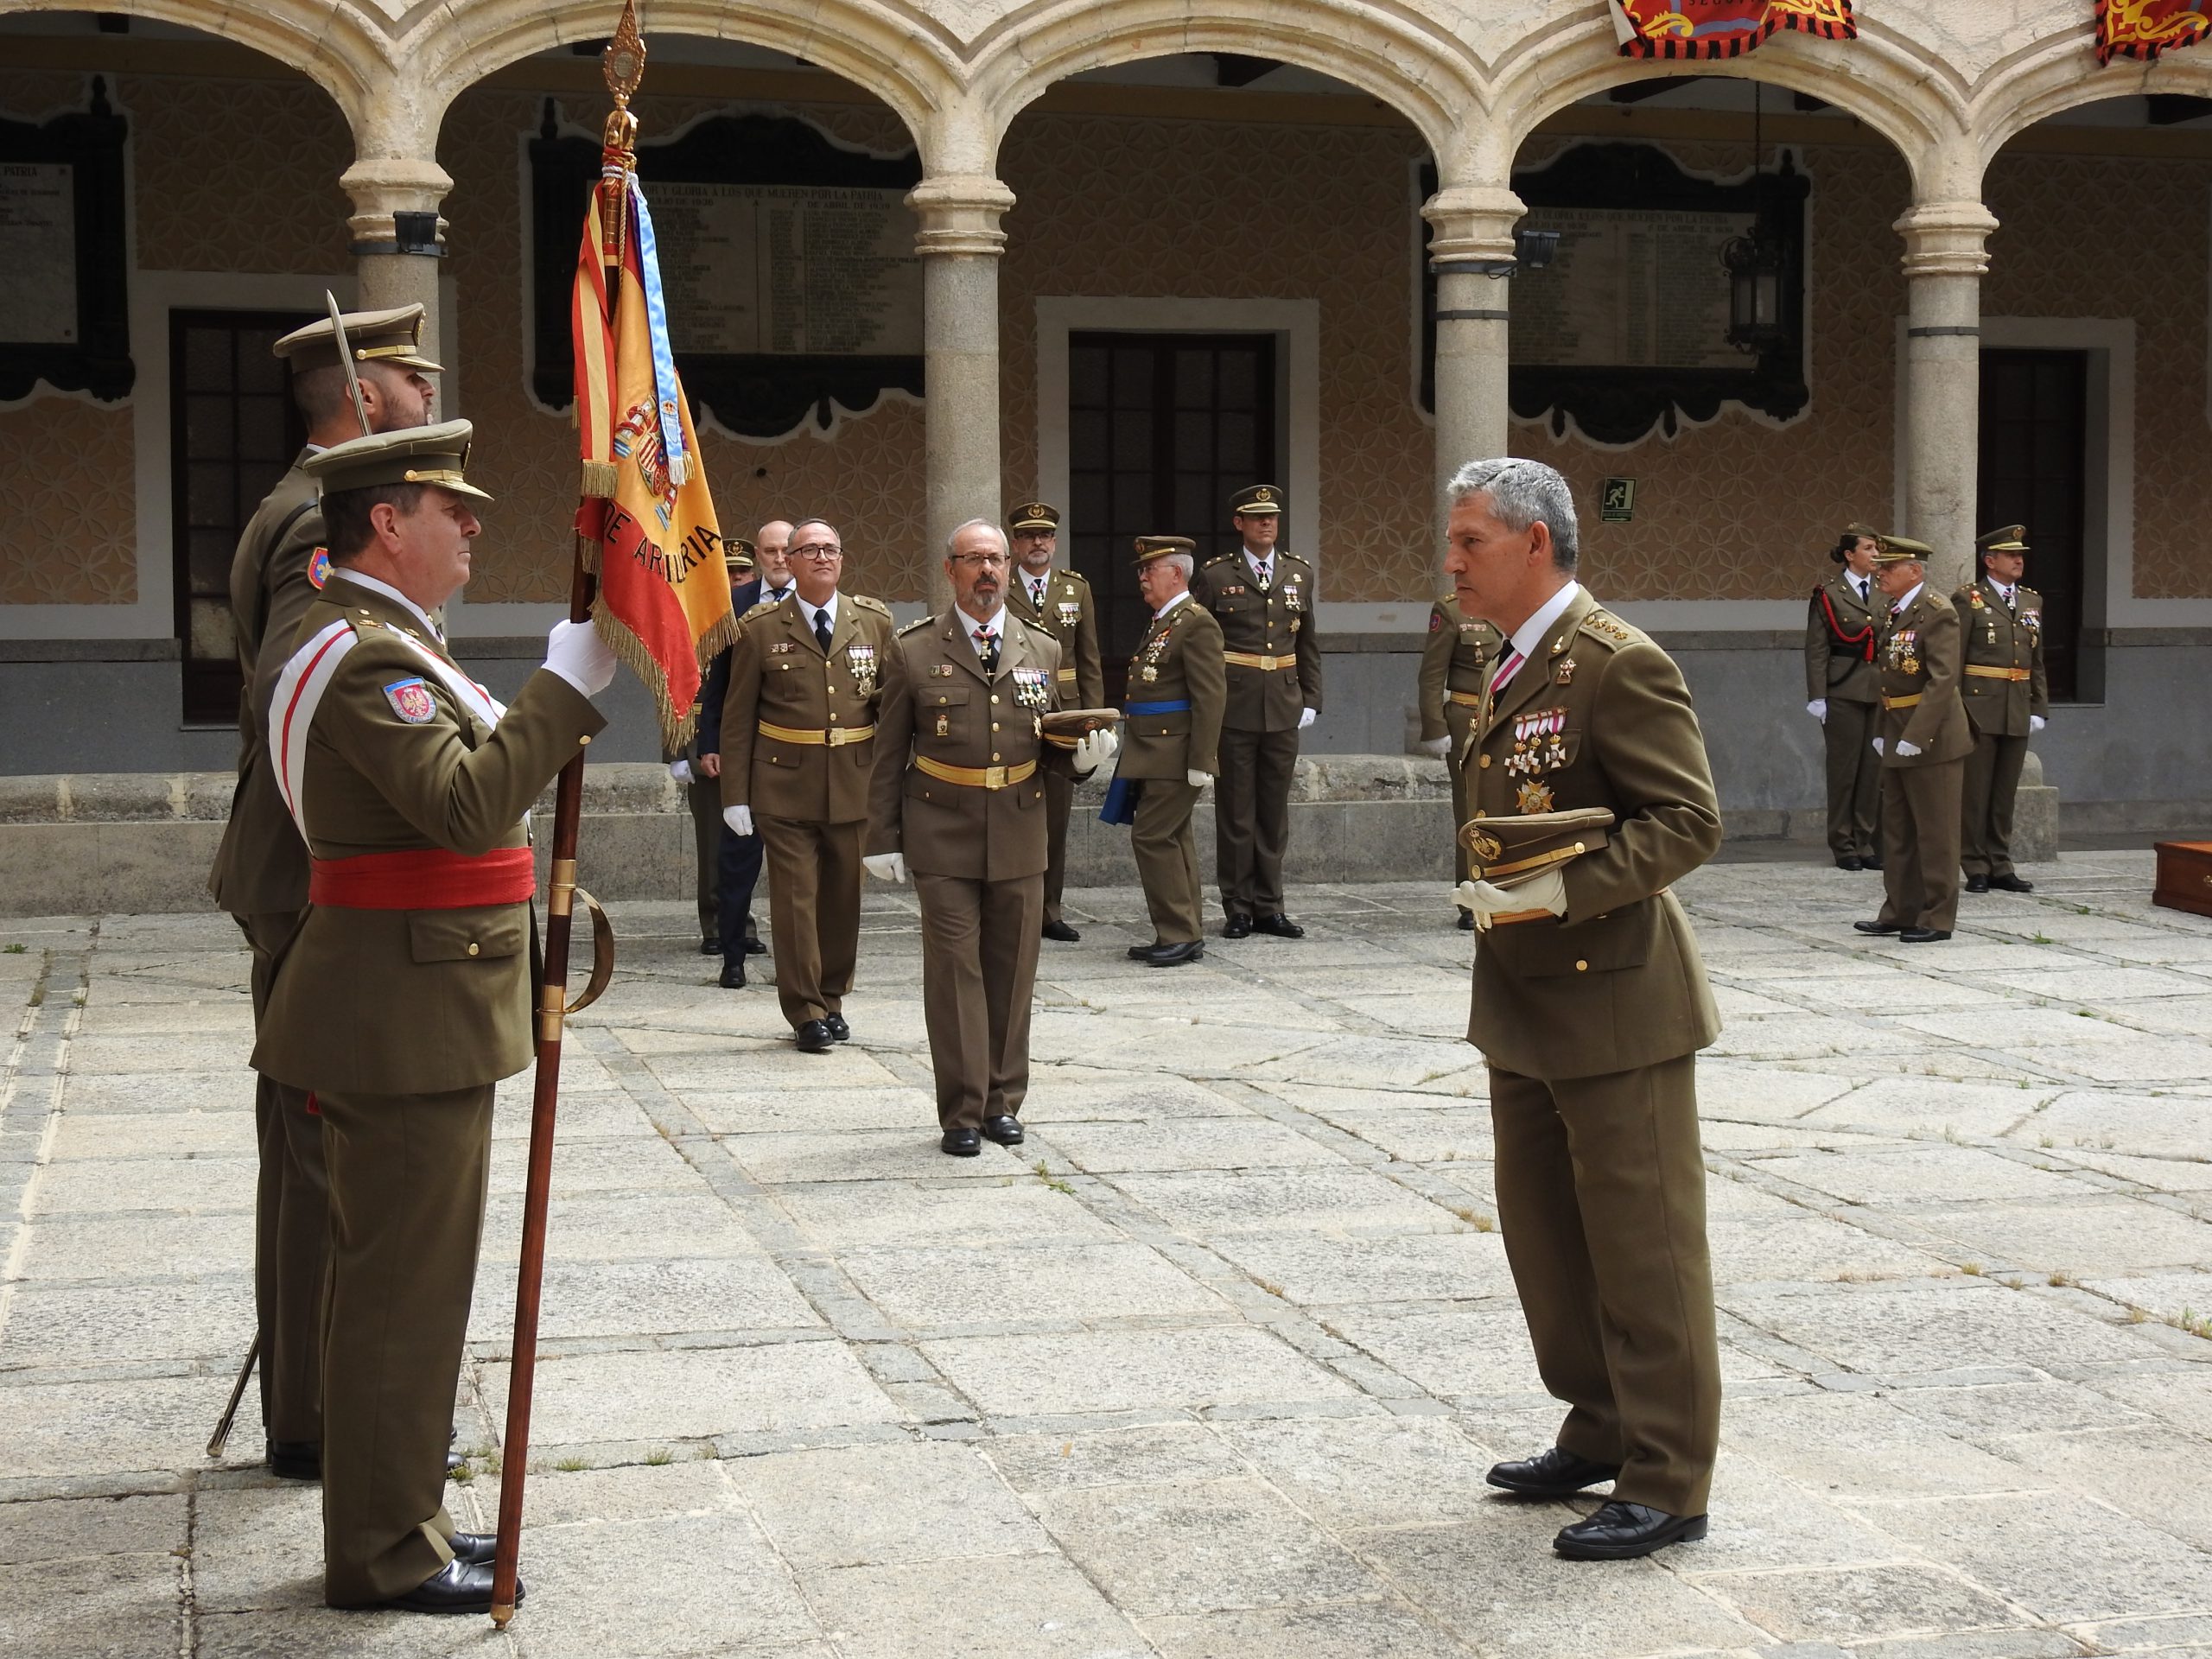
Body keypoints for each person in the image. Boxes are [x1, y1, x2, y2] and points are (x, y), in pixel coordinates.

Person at [251, 421, 618, 1612]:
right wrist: (564, 690)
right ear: (384, 524)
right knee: (401, 1296)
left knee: (404, 1287)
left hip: (412, 1004)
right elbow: (465, 807)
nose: (471, 522)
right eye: (447, 506)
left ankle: (403, 1514)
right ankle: (382, 1551)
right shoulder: (367, 659)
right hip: (401, 1015)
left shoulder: (389, 640)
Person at [1444, 456, 1725, 1562]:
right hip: (1523, 1002)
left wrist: (1565, 892)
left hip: (1613, 1004)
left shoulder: (1616, 663)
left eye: (1469, 541)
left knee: (1644, 1250)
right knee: (1549, 1241)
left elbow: (1686, 821)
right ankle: (1599, 1424)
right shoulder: (1508, 658)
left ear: (1535, 543)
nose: (1452, 561)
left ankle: (1668, 1477)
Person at [205, 303, 440, 1484]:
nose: (429, 387)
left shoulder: (300, 502)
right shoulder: (315, 516)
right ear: (362, 392)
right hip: (317, 872)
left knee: (317, 1144)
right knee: (320, 1150)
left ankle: (315, 1403)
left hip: (310, 866)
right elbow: (310, 693)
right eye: (412, 375)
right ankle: (315, 1417)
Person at [866, 519, 1119, 1154]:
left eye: (996, 560)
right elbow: (887, 752)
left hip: (1018, 827)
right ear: (949, 569)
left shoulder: (1042, 648)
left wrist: (1081, 762)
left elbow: (1049, 743)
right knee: (956, 970)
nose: (987, 571)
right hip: (941, 829)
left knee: (1012, 970)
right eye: (974, 559)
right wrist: (880, 837)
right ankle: (962, 1110)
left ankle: (1002, 1102)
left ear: (1009, 568)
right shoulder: (913, 649)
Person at [718, 517, 895, 1051]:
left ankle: (832, 997)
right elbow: (738, 717)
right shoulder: (760, 627)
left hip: (854, 783)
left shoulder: (874, 622)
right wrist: (735, 796)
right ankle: (805, 1010)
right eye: (809, 549)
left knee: (843, 901)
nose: (821, 557)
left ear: (842, 560)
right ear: (789, 562)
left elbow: (892, 710)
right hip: (784, 786)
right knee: (796, 900)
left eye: (830, 549)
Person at [1191, 485, 1321, 939]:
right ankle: (1238, 906)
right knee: (1236, 811)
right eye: (1256, 517)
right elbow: (1199, 642)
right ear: (1239, 523)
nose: (1266, 523)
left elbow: (1307, 642)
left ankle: (1270, 905)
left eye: (1272, 517)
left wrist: (1312, 698)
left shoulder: (1299, 573)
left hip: (1284, 705)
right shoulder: (1215, 575)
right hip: (1235, 706)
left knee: (1273, 812)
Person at [1103, 537, 1226, 967]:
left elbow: (1211, 696)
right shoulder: (1166, 620)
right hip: (1154, 749)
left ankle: (1177, 932)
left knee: (1152, 836)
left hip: (1174, 752)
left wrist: (1202, 760)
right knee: (1173, 837)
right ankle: (1186, 931)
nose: (1141, 577)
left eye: (1148, 569)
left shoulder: (1196, 622)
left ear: (1176, 573)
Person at [1853, 534, 1974, 943]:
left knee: (1937, 833)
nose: (1880, 573)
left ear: (1915, 571)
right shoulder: (1895, 610)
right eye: (1880, 566)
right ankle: (1900, 910)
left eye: (1889, 567)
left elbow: (1943, 679)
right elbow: (1887, 679)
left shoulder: (1937, 612)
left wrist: (1918, 734)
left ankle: (1937, 917)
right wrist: (1881, 732)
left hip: (1933, 738)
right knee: (1898, 829)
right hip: (1897, 730)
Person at [1003, 500, 1104, 942]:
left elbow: (1089, 659)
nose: (1037, 543)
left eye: (1044, 536)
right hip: (1012, 710)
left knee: (1056, 816)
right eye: (1028, 536)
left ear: (1054, 542)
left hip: (1064, 712)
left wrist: (1094, 719)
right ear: (1016, 544)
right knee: (1012, 810)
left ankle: (1049, 910)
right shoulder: (1001, 585)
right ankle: (1013, 907)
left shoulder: (1075, 588)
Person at [670, 537, 753, 955]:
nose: (736, 580)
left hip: (758, 747)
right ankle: (717, 925)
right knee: (715, 843)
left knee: (749, 847)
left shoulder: (765, 620)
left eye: (743, 573)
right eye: (729, 573)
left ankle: (742, 923)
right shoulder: (695, 623)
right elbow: (673, 689)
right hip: (706, 747)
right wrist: (677, 751)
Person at [1956, 524, 2050, 893]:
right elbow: (1956, 659)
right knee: (1975, 792)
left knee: (2004, 792)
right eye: (2011, 555)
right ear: (1990, 560)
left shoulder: (2031, 601)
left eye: (2020, 555)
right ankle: (1975, 864)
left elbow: (2036, 659)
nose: (2018, 561)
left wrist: (2039, 705)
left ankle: (2000, 862)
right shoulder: (1969, 599)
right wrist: (1955, 710)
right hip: (1980, 706)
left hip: (2017, 705)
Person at [1414, 590, 1501, 928]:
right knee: (1470, 808)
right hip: (1468, 720)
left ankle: (1505, 888)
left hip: (1508, 717)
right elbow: (1432, 674)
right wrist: (1435, 727)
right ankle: (1471, 896)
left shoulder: (1514, 603)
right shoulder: (1451, 610)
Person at [1804, 523, 1886, 871]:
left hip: (1878, 690)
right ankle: (1843, 843)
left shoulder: (1885, 589)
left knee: (1872, 771)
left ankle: (1864, 841)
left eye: (1876, 548)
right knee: (1844, 771)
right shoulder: (1829, 593)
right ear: (1850, 555)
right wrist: (1818, 695)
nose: (1875, 554)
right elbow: (1817, 648)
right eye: (1868, 548)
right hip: (1843, 688)